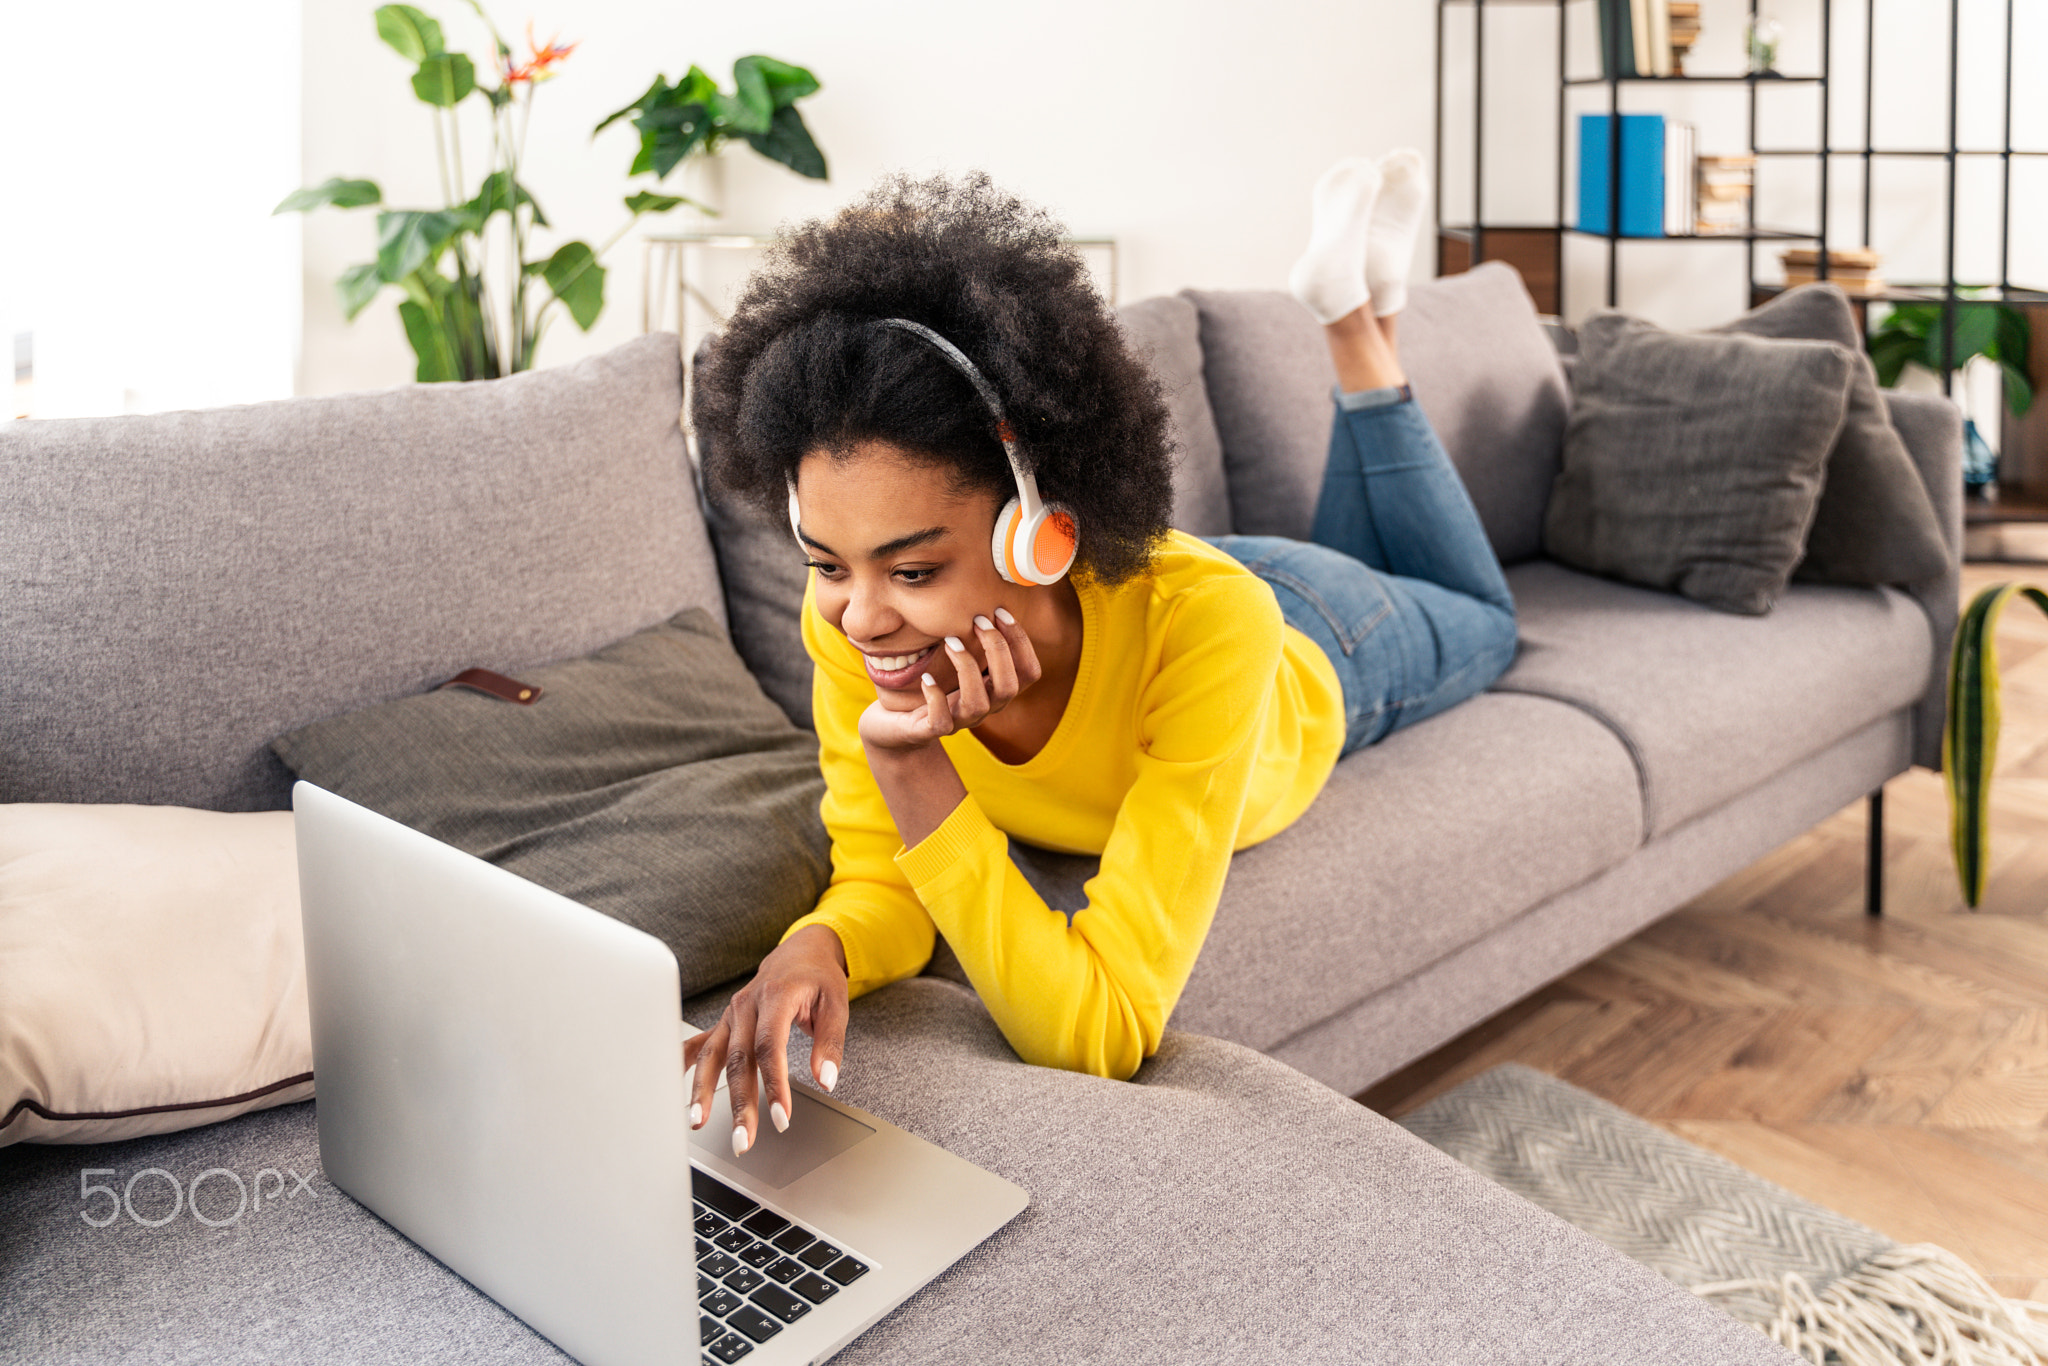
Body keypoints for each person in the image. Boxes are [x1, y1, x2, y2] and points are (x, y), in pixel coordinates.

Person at [686, 159, 1517, 1156]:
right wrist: (813, 943)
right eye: (826, 563)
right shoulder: (851, 630)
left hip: (1314, 639)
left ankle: (1350, 328)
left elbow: (1100, 1031)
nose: (858, 619)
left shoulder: (1212, 628)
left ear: (1035, 534)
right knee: (1367, 547)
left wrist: (913, 767)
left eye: (910, 571)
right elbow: (881, 876)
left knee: (1486, 618)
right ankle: (1360, 309)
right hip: (1180, 581)